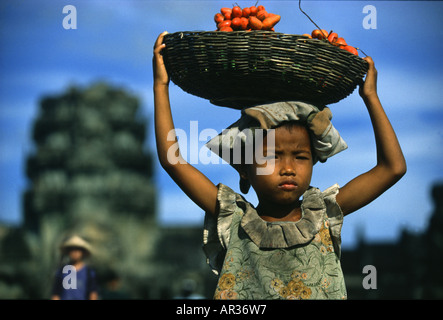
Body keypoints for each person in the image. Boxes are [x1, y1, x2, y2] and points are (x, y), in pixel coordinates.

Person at [153, 31, 406, 299]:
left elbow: (393, 168)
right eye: (272, 157)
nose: (288, 168)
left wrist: (371, 97)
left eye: (300, 156)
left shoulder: (324, 214)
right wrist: (161, 86)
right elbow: (173, 160)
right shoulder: (234, 219)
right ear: (244, 171)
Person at [51, 235, 98, 300]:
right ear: (68, 252)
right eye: (72, 249)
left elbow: (93, 293)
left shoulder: (89, 272)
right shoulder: (62, 271)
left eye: (78, 249)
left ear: (82, 252)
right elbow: (56, 293)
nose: (75, 252)